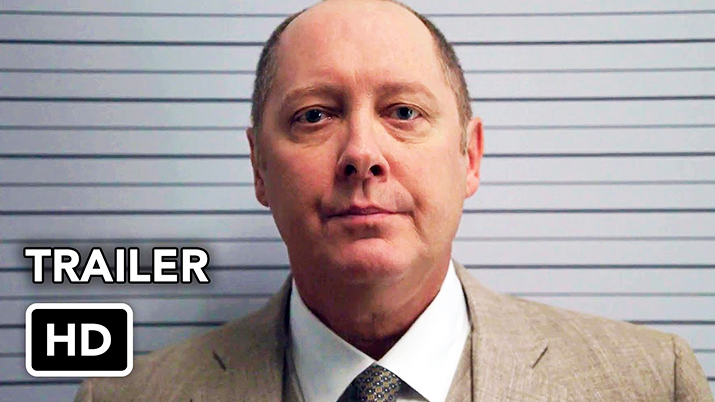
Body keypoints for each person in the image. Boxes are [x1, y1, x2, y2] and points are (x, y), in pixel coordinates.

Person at [75, 0, 713, 401]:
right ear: (259, 168)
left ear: (469, 157)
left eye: (403, 112)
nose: (362, 153)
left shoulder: (653, 383)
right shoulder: (124, 398)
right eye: (315, 115)